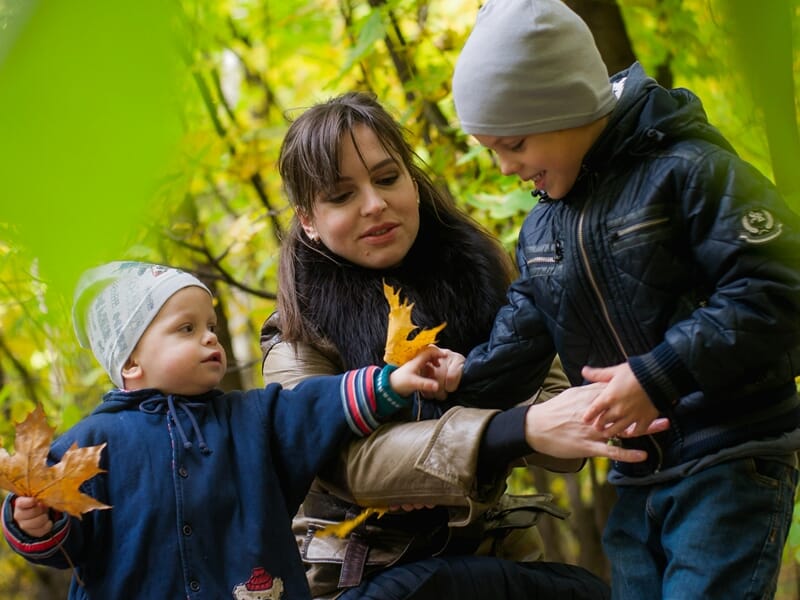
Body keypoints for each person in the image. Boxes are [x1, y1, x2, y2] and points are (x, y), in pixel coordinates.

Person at [450, 1, 800, 598]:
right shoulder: (542, 230)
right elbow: (524, 333)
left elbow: (777, 289)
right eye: (490, 150)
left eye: (513, 143)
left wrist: (657, 375)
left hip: (728, 457)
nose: (505, 166)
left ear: (564, 106)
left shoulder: (688, 170)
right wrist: (464, 375)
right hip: (638, 475)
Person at [262, 91, 668, 599]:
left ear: (412, 180)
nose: (375, 204)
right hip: (363, 575)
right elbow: (351, 464)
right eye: (342, 196)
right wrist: (517, 430)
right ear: (308, 221)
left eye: (388, 178)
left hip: (492, 553)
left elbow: (552, 392)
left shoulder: (481, 275)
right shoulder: (295, 334)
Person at [1, 261, 447, 599]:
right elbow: (54, 531)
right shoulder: (91, 444)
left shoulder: (253, 417)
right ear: (130, 362)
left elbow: (319, 405)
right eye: (186, 328)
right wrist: (34, 523)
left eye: (210, 326)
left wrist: (392, 382)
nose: (210, 338)